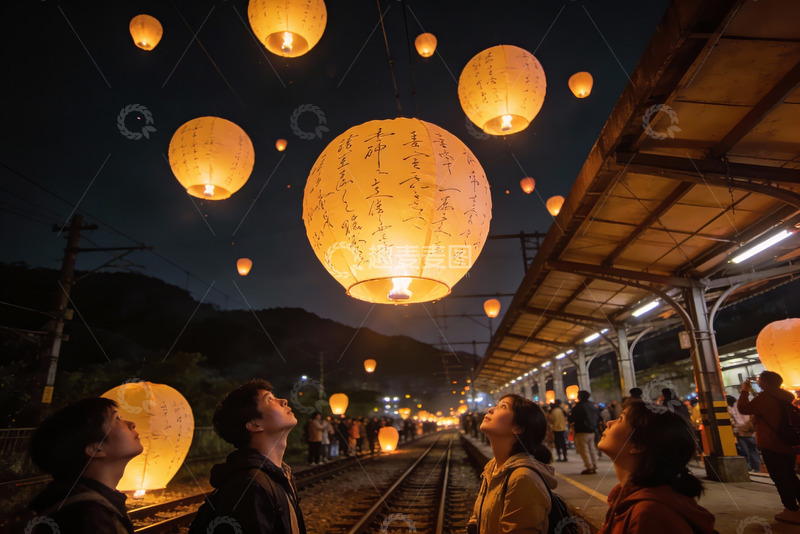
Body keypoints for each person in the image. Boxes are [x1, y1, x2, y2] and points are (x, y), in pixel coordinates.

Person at [189, 379, 305, 534]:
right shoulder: (250, 486)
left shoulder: (281, 473)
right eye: (269, 399)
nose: (283, 401)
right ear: (255, 425)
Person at [596, 401, 716, 534]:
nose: (609, 423)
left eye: (620, 419)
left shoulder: (649, 513)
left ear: (637, 446)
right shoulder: (624, 496)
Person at [28, 398, 143, 534]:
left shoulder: (83, 505)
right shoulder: (88, 518)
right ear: (96, 449)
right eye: (117, 419)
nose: (132, 424)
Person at [467, 394, 557, 534]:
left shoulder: (523, 479)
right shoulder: (493, 468)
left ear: (518, 428)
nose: (490, 409)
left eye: (502, 406)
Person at [738, 371, 800, 524]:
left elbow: (743, 408)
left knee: (780, 478)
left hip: (771, 443)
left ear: (765, 383)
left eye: (760, 380)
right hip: (788, 442)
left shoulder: (765, 398)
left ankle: (791, 510)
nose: (758, 382)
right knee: (790, 475)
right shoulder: (786, 396)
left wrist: (744, 390)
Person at [568, 390, 600, 474]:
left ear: (580, 396)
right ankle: (594, 465)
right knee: (592, 448)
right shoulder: (593, 405)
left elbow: (572, 419)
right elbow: (598, 417)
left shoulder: (578, 406)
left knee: (584, 449)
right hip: (592, 430)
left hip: (581, 430)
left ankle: (589, 467)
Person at [726, 395, 759, 472]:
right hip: (749, 433)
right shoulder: (741, 406)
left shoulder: (730, 408)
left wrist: (738, 427)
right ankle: (756, 468)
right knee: (753, 451)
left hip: (741, 433)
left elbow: (733, 421)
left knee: (746, 452)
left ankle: (749, 468)